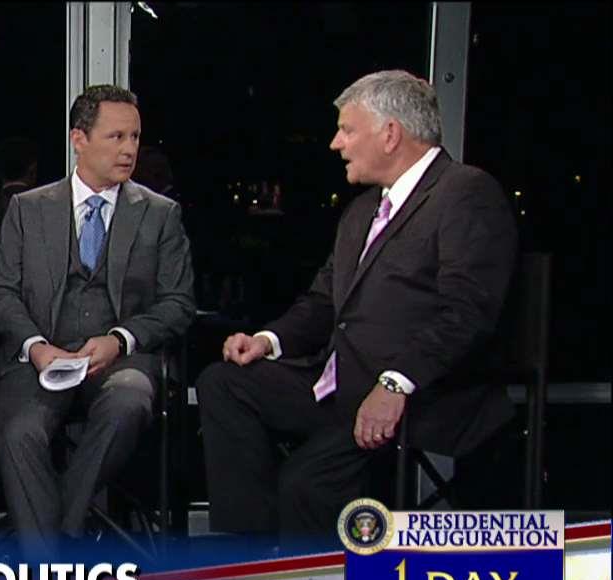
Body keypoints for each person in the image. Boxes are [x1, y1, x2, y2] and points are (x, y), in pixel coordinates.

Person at [197, 70, 518, 540]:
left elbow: (468, 311)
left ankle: (310, 576)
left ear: (390, 134)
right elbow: (324, 301)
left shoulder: (465, 193)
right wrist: (268, 340)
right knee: (224, 383)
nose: (335, 143)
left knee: (307, 484)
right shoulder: (363, 210)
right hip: (340, 385)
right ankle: (252, 551)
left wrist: (396, 382)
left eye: (347, 130)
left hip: (418, 395)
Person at [0, 85, 196, 560]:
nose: (129, 149)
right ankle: (53, 569)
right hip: (40, 361)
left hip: (121, 362)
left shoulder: (160, 215)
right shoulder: (28, 209)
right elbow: (0, 293)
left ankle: (56, 539)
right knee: (20, 432)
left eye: (135, 137)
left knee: (129, 403)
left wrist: (121, 339)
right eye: (116, 136)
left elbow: (179, 303)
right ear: (78, 139)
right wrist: (36, 346)